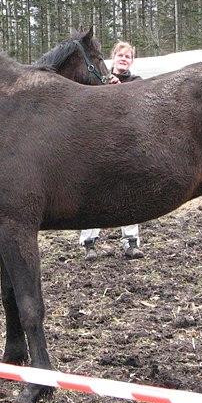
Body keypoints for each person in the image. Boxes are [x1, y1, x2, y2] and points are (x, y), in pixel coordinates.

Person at [79, 41, 143, 261]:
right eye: (120, 56)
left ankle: (131, 242)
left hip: (126, 145)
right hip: (100, 145)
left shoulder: (137, 83)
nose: (124, 59)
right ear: (113, 58)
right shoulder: (100, 79)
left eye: (128, 57)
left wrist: (121, 90)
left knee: (129, 191)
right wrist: (107, 88)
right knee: (94, 191)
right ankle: (89, 243)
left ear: (132, 61)